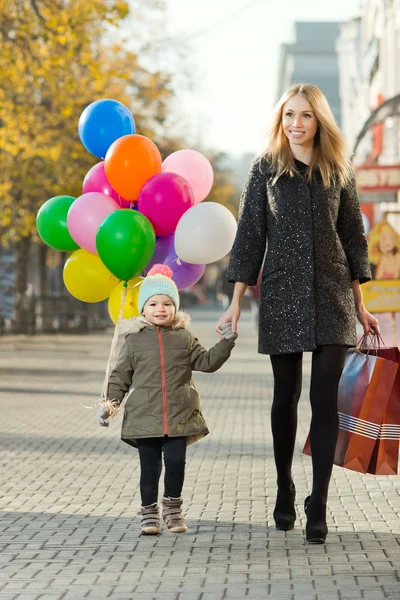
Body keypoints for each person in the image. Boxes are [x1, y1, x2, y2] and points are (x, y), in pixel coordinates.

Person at [218, 83, 379, 544]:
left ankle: (320, 505)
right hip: (283, 293)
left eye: (306, 115)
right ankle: (285, 486)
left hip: (332, 295)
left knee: (324, 399)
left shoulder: (338, 171)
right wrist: (233, 303)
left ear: (319, 120)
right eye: (289, 115)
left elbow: (354, 240)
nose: (296, 123)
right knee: (284, 396)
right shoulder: (265, 170)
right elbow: (249, 236)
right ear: (280, 119)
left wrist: (361, 305)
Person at [97, 264, 237, 536]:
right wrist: (110, 405)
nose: (160, 309)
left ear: (175, 307)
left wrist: (226, 343)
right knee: (149, 469)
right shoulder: (134, 341)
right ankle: (149, 514)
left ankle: (173, 510)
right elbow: (120, 376)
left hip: (179, 416)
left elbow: (206, 362)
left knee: (175, 463)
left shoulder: (184, 338)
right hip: (144, 418)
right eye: (153, 304)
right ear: (143, 309)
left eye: (166, 304)